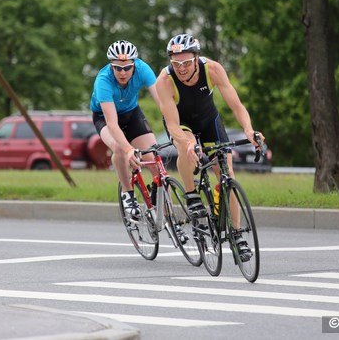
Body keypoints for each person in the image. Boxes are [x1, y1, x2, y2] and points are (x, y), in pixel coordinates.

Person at [156, 33, 264, 258]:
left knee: (227, 172)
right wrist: (187, 143)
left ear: (196, 58)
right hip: (182, 125)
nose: (182, 68)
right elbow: (172, 124)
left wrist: (249, 130)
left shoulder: (213, 69)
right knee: (188, 148)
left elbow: (236, 105)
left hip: (209, 122)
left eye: (186, 63)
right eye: (176, 64)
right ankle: (191, 195)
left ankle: (236, 234)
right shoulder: (164, 81)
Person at [90, 40, 161, 220]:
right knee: (120, 148)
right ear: (111, 66)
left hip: (132, 114)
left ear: (134, 65)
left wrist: (177, 127)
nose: (122, 73)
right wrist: (129, 150)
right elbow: (112, 124)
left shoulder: (143, 69)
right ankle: (128, 194)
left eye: (127, 68)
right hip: (105, 117)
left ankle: (156, 199)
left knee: (154, 158)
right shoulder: (103, 80)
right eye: (117, 68)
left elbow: (162, 102)